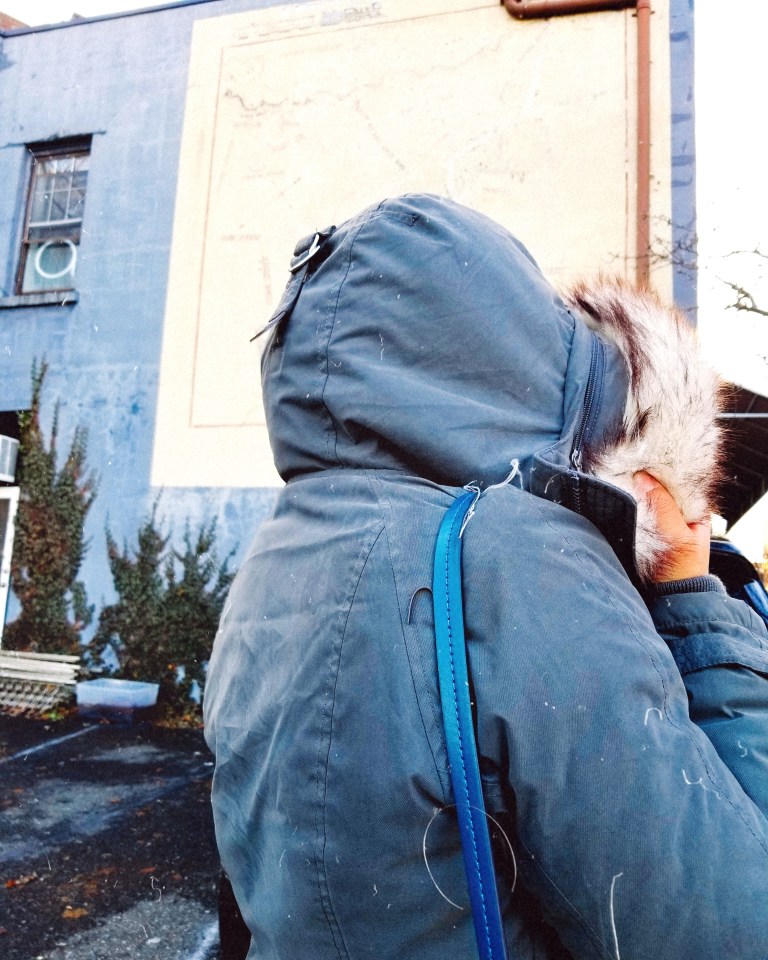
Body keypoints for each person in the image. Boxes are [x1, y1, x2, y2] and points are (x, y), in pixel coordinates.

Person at [203, 194, 768, 959]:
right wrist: (694, 603)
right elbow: (729, 929)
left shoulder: (275, 557)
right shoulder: (519, 554)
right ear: (514, 354)